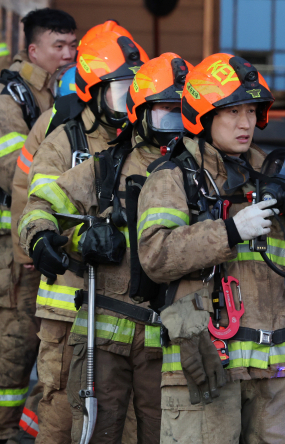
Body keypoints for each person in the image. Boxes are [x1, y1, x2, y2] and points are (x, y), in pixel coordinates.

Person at [136, 53, 285, 443]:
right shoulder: (172, 178)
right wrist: (229, 231)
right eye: (233, 111)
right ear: (203, 113)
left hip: (275, 371)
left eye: (252, 111)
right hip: (206, 366)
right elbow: (155, 255)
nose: (246, 122)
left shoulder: (274, 172)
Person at [20, 51, 188, 444]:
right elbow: (42, 203)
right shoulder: (108, 165)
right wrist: (44, 237)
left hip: (175, 338)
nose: (174, 126)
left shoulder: (202, 172)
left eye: (181, 112)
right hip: (108, 336)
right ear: (141, 114)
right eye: (165, 113)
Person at [0, 8, 76, 443]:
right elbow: (15, 171)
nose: (67, 55)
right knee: (16, 346)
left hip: (43, 237)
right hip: (14, 248)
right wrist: (27, 245)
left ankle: (30, 427)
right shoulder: (11, 99)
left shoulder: (56, 93)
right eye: (58, 46)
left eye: (72, 46)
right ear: (33, 50)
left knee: (52, 344)